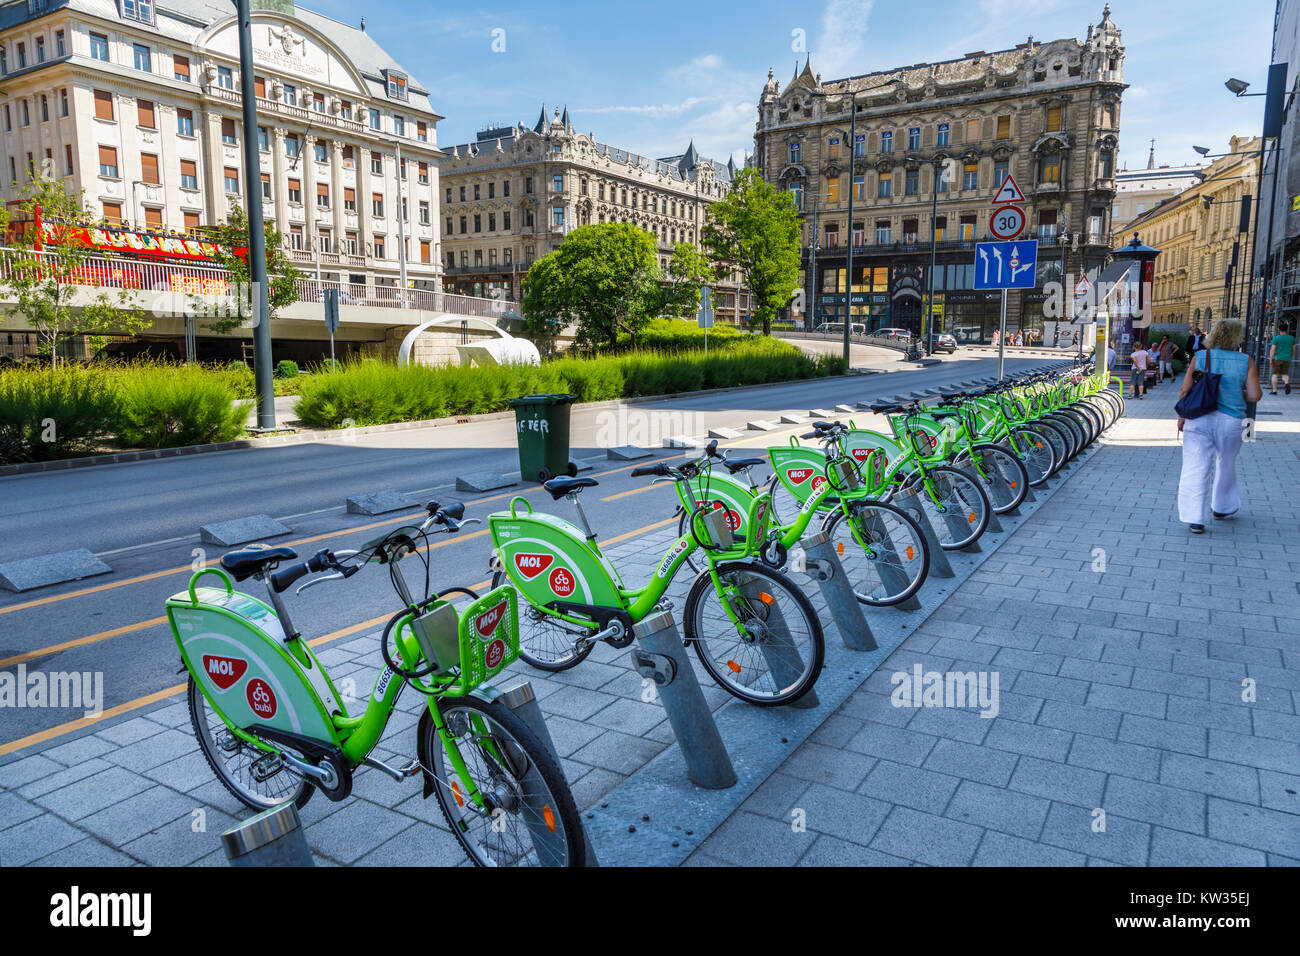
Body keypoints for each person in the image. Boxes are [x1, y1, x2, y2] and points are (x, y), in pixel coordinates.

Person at [1177, 317, 1263, 534]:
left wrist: (1181, 417)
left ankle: (1195, 519)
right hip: (1232, 421)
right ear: (1237, 337)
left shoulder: (1201, 356)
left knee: (1195, 465)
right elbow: (1254, 395)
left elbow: (1185, 390)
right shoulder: (1246, 360)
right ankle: (1222, 508)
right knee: (1226, 463)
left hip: (1198, 417)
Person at [1268, 320, 1294, 396]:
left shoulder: (1276, 338)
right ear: (1287, 329)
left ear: (1279, 330)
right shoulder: (1292, 338)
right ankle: (1286, 383)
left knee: (1275, 374)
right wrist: (1290, 357)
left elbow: (1272, 350)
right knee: (1285, 374)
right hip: (1287, 358)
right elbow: (1293, 350)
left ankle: (1274, 390)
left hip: (1277, 358)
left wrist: (1270, 359)